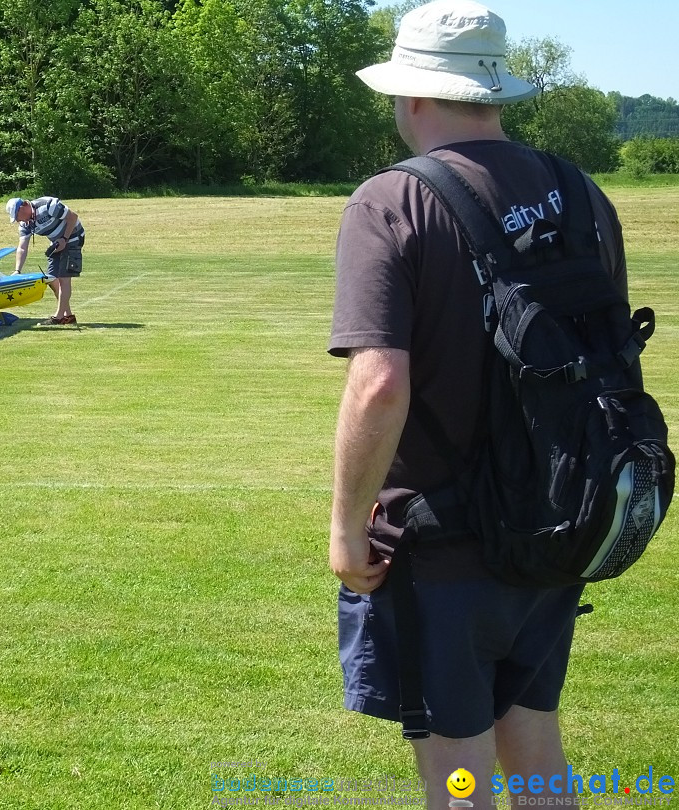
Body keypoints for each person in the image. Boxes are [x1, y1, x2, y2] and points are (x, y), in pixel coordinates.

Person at [327, 1, 626, 804]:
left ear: (413, 95)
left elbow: (380, 382)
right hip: (558, 526)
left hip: (444, 549)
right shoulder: (581, 191)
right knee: (533, 736)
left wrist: (345, 529)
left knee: (456, 772)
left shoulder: (391, 201)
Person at [5, 196, 86, 325]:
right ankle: (68, 315)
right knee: (51, 277)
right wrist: (17, 270)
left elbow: (73, 217)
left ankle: (58, 317)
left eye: (17, 216)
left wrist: (64, 239)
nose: (18, 220)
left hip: (73, 237)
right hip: (56, 242)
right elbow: (22, 247)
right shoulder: (25, 224)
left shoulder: (48, 205)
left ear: (22, 207)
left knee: (64, 278)